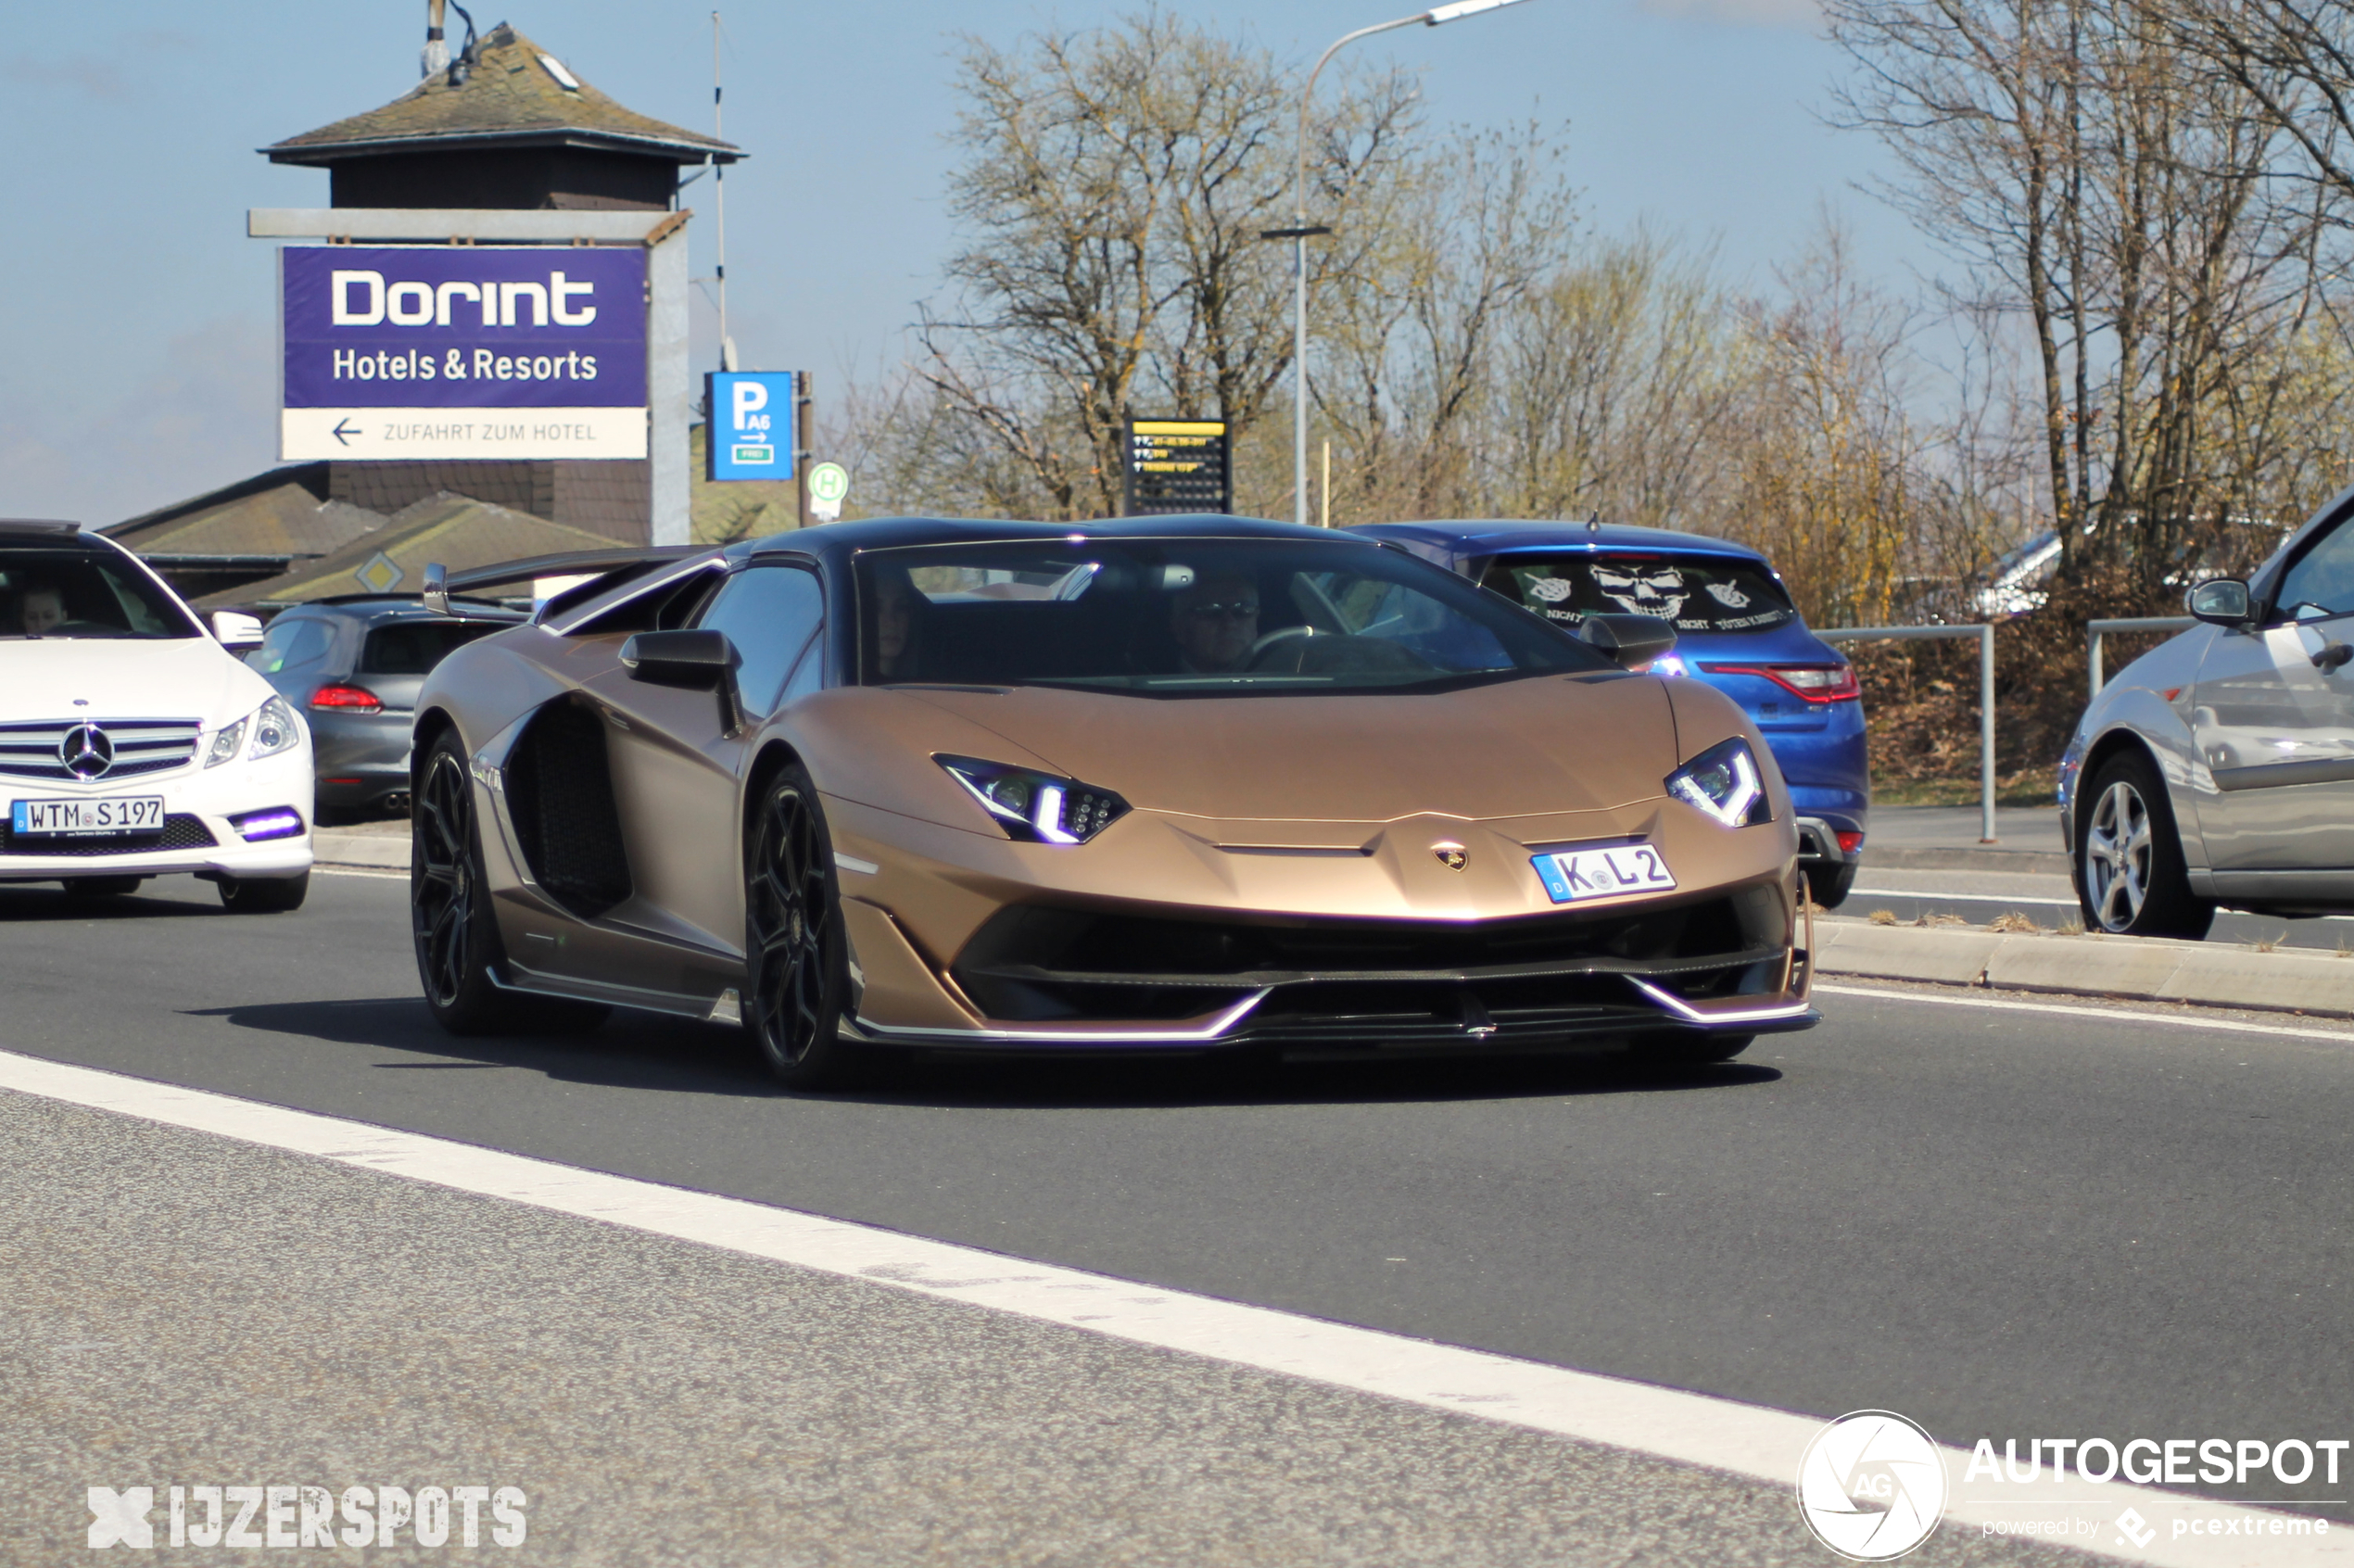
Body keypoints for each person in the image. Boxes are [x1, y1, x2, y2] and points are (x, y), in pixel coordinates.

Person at [1169, 571, 1259, 674]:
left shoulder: (1278, 676)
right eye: (1211, 610)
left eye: (1243, 609)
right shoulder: (1154, 681)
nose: (1230, 624)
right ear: (1179, 628)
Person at [870, 564, 920, 680]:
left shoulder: (933, 685)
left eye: (900, 608)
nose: (891, 622)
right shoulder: (842, 692)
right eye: (876, 609)